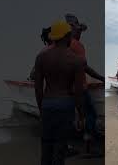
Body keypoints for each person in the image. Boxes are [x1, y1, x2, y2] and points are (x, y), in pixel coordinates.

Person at [34, 21, 85, 165]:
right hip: (65, 104)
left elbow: (38, 87)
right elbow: (78, 92)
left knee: (46, 147)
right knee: (60, 148)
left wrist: (41, 109)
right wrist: (81, 115)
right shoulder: (76, 60)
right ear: (67, 36)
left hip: (48, 103)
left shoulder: (41, 57)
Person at [65, 13, 104, 155]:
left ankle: (68, 146)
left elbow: (82, 66)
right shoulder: (76, 44)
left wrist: (100, 77)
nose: (80, 33)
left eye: (81, 30)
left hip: (68, 88)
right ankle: (88, 146)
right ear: (71, 29)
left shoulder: (65, 44)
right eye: (78, 30)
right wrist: (101, 78)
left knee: (70, 116)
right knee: (90, 115)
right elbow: (84, 67)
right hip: (78, 87)